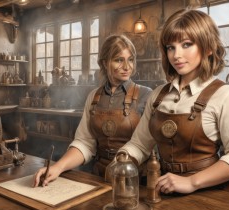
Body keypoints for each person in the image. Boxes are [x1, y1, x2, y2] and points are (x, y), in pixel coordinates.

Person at [118, 9, 229, 197]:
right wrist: (121, 159)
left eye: (186, 44)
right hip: (164, 189)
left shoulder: (227, 95)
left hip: (213, 194)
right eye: (170, 47)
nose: (176, 55)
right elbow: (140, 145)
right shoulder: (157, 95)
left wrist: (191, 182)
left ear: (208, 47)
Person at [33, 34, 152, 187]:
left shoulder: (146, 95)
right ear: (104, 62)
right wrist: (57, 167)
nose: (127, 66)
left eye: (130, 59)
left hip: (134, 179)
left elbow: (145, 146)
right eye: (119, 60)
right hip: (99, 176)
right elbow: (84, 143)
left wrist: (118, 168)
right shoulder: (94, 96)